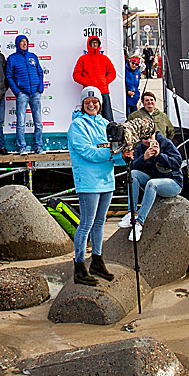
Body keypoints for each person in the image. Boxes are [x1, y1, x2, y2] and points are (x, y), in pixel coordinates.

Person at [67, 86, 117, 286]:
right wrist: (112, 152)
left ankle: (97, 261)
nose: (91, 104)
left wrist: (125, 154)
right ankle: (79, 266)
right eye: (87, 102)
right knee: (86, 223)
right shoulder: (77, 126)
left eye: (95, 101)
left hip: (107, 179)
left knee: (100, 222)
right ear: (82, 104)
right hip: (88, 181)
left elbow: (114, 151)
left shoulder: (105, 124)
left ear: (100, 104)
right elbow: (88, 152)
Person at [119, 129, 182, 242]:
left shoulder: (166, 143)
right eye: (144, 139)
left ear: (154, 135)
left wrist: (159, 156)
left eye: (150, 138)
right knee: (133, 174)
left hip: (173, 182)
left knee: (152, 184)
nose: (148, 141)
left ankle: (139, 223)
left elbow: (177, 162)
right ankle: (131, 213)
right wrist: (144, 158)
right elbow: (132, 167)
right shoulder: (140, 148)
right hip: (152, 180)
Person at [5, 34, 45, 154]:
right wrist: (17, 92)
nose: (24, 44)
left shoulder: (33, 56)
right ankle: (22, 147)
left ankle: (39, 146)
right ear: (17, 44)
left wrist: (40, 88)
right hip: (22, 94)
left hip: (35, 93)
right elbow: (9, 76)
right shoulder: (12, 58)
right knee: (21, 122)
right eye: (22, 42)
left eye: (26, 42)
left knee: (38, 122)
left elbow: (40, 72)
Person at [72, 35, 117, 122]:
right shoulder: (82, 59)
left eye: (96, 43)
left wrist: (105, 81)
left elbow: (113, 73)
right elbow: (76, 75)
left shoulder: (104, 58)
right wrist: (88, 82)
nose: (95, 45)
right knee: (90, 117)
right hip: (90, 93)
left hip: (103, 91)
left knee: (108, 117)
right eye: (93, 43)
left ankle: (110, 131)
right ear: (89, 44)